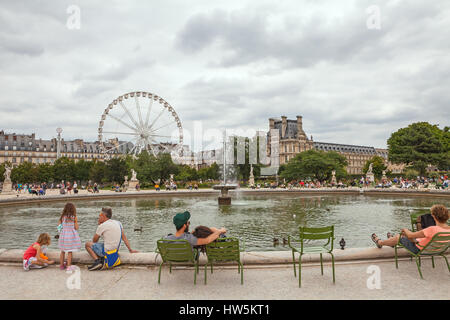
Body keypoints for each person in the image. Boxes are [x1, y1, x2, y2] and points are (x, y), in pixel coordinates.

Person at [371, 204, 450, 253]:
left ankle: (380, 242)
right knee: (403, 237)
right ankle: (391, 240)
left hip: (420, 250)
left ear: (433, 216)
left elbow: (410, 235)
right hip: (438, 250)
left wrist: (405, 230)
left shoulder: (432, 229)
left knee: (400, 236)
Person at [58, 203, 82, 271]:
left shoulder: (62, 217)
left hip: (63, 235)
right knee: (69, 251)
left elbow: (59, 227)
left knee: (62, 251)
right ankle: (69, 266)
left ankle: (61, 265)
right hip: (71, 236)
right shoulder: (74, 217)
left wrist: (61, 232)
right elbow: (76, 227)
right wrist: (76, 222)